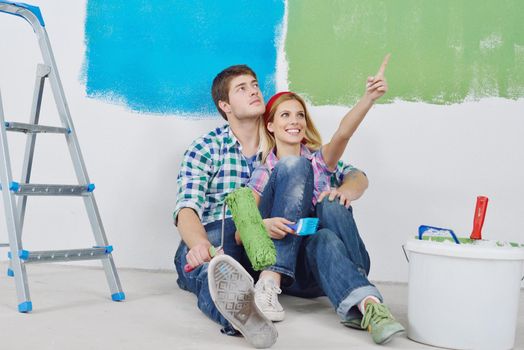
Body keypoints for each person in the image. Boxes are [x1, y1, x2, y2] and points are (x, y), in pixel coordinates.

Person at [174, 61, 399, 348]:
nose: (254, 91)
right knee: (207, 264)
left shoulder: (298, 151)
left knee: (322, 233)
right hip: (224, 236)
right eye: (242, 89)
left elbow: (351, 168)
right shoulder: (207, 149)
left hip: (287, 248)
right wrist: (199, 245)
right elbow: (187, 209)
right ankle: (243, 315)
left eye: (255, 85)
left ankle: (281, 284)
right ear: (225, 105)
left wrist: (345, 190)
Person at [239, 55, 405, 345]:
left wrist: (368, 99)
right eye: (285, 116)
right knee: (292, 169)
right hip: (295, 272)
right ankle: (273, 281)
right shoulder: (264, 172)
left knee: (326, 219)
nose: (295, 121)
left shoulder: (319, 162)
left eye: (300, 115)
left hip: (334, 259)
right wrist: (263, 225)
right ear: (270, 126)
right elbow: (242, 234)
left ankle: (369, 308)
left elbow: (343, 134)